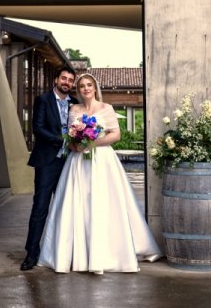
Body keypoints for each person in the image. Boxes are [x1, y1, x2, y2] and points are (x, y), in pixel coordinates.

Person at [38, 72, 161, 273]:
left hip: (103, 160)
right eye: (82, 86)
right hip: (78, 163)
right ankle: (76, 253)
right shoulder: (74, 109)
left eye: (89, 85)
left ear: (95, 88)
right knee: (77, 203)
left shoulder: (107, 108)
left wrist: (92, 142)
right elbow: (70, 135)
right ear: (79, 90)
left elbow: (116, 135)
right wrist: (76, 144)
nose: (86, 88)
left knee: (103, 202)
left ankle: (108, 253)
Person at [21, 65, 76, 271]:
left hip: (70, 163)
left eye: (70, 80)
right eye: (64, 78)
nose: (67, 83)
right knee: (40, 207)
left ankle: (63, 252)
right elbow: (38, 128)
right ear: (56, 80)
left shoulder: (76, 104)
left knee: (67, 208)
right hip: (47, 162)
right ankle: (32, 253)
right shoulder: (43, 100)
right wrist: (63, 141)